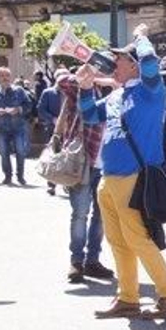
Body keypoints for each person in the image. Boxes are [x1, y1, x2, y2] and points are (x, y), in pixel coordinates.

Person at [75, 28, 166, 320]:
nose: (113, 64)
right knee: (118, 241)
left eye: (119, 59)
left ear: (133, 64)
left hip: (133, 176)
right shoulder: (117, 94)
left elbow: (150, 62)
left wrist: (140, 38)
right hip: (109, 177)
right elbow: (89, 116)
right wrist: (85, 88)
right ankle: (128, 298)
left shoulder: (151, 89)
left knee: (137, 238)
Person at [50, 70, 111, 285]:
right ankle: (76, 261)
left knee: (101, 216)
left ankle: (92, 260)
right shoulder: (85, 87)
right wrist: (89, 75)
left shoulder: (120, 90)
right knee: (80, 213)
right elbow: (62, 81)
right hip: (83, 162)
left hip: (110, 163)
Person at [0, 65, 34, 185]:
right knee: (3, 153)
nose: (5, 78)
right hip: (2, 128)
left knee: (20, 151)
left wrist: (18, 109)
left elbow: (29, 105)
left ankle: (20, 176)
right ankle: (7, 176)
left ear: (10, 77)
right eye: (2, 75)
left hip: (18, 127)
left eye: (7, 75)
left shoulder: (19, 90)